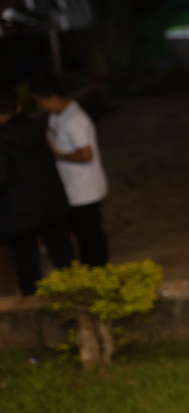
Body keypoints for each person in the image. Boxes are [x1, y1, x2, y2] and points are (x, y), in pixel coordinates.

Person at [0, 89, 75, 295]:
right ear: (18, 107)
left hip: (19, 210)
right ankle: (77, 296)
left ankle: (35, 305)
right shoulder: (35, 126)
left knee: (27, 263)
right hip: (51, 201)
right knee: (64, 256)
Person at [33, 90, 109, 266]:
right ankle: (90, 269)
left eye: (40, 101)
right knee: (82, 234)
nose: (39, 106)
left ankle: (99, 269)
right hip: (73, 187)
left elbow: (85, 155)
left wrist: (58, 155)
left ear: (53, 97)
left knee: (91, 236)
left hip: (84, 189)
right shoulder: (57, 115)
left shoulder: (75, 120)